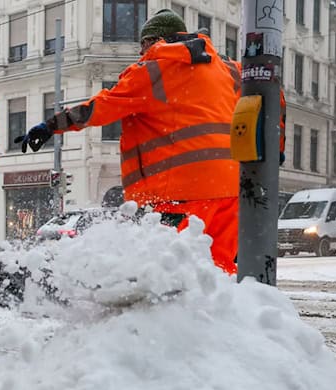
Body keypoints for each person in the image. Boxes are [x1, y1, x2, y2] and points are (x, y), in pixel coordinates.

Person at [18, 9, 245, 274]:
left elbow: (102, 106)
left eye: (143, 44)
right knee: (218, 273)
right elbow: (272, 97)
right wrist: (275, 149)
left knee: (173, 275)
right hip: (231, 189)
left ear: (154, 40)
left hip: (182, 191)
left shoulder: (156, 68)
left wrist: (49, 126)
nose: (141, 52)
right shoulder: (227, 69)